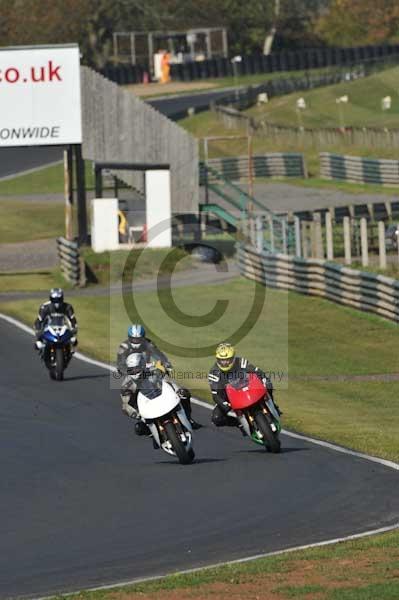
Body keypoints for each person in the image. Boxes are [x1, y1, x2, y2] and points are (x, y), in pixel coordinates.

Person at [116, 324, 201, 433]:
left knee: (179, 390)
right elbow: (120, 364)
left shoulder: (148, 343)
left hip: (148, 370)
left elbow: (158, 355)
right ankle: (144, 418)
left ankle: (188, 417)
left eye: (139, 339)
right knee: (125, 398)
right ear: (129, 338)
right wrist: (127, 371)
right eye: (134, 339)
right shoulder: (123, 347)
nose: (136, 342)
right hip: (132, 374)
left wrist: (166, 364)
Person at [208, 342, 281, 431]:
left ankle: (273, 406)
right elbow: (215, 394)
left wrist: (265, 381)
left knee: (268, 386)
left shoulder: (241, 362)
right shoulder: (214, 372)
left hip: (246, 388)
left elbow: (257, 371)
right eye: (221, 360)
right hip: (227, 397)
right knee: (216, 418)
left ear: (233, 358)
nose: (224, 363)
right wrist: (224, 404)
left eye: (227, 359)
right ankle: (239, 423)